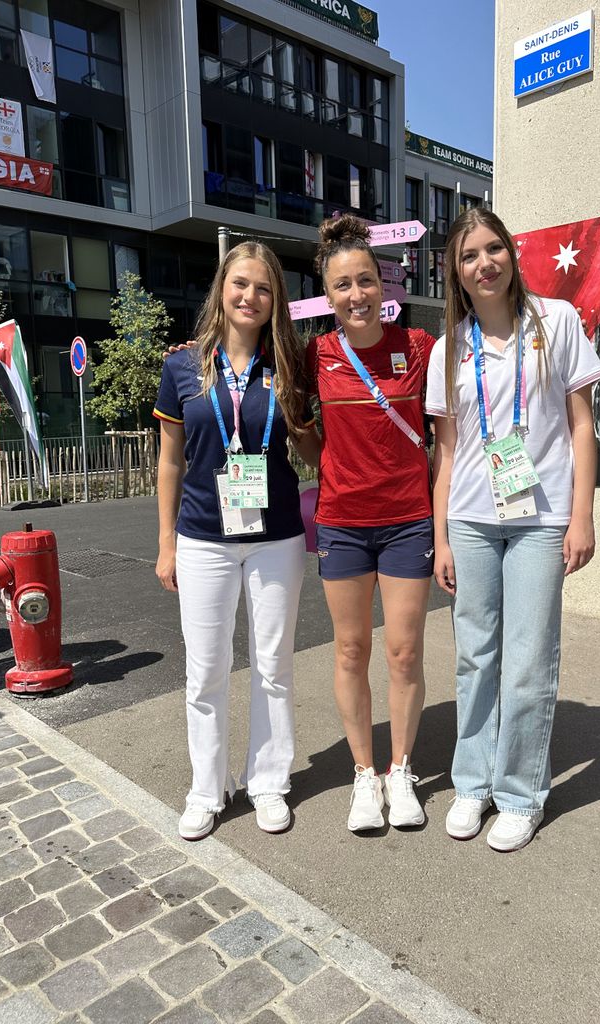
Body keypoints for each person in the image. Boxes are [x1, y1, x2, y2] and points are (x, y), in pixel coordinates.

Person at [427, 208, 600, 852]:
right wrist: (441, 535)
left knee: (528, 661)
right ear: (457, 271)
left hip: (540, 519)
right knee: (476, 656)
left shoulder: (555, 321)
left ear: (510, 252)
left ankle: (521, 794)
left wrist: (581, 513)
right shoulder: (450, 346)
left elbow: (582, 425)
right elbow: (446, 453)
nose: (484, 263)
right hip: (472, 519)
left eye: (493, 248)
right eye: (469, 255)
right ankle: (472, 783)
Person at [155, 240, 319, 840]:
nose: (250, 296)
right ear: (221, 291)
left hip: (275, 538)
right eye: (240, 284)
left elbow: (310, 453)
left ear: (276, 298)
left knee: (273, 665)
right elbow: (170, 461)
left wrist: (296, 415)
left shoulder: (290, 365)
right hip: (202, 537)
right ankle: (208, 787)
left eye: (264, 287)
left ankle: (269, 781)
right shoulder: (181, 366)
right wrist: (166, 541)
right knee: (206, 671)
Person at [306, 214, 437, 832]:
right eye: (342, 286)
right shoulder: (316, 353)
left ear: (384, 287)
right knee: (352, 650)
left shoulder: (419, 349)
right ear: (327, 295)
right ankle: (365, 776)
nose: (356, 295)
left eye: (365, 282)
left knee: (404, 651)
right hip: (343, 524)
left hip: (410, 520)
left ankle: (401, 769)